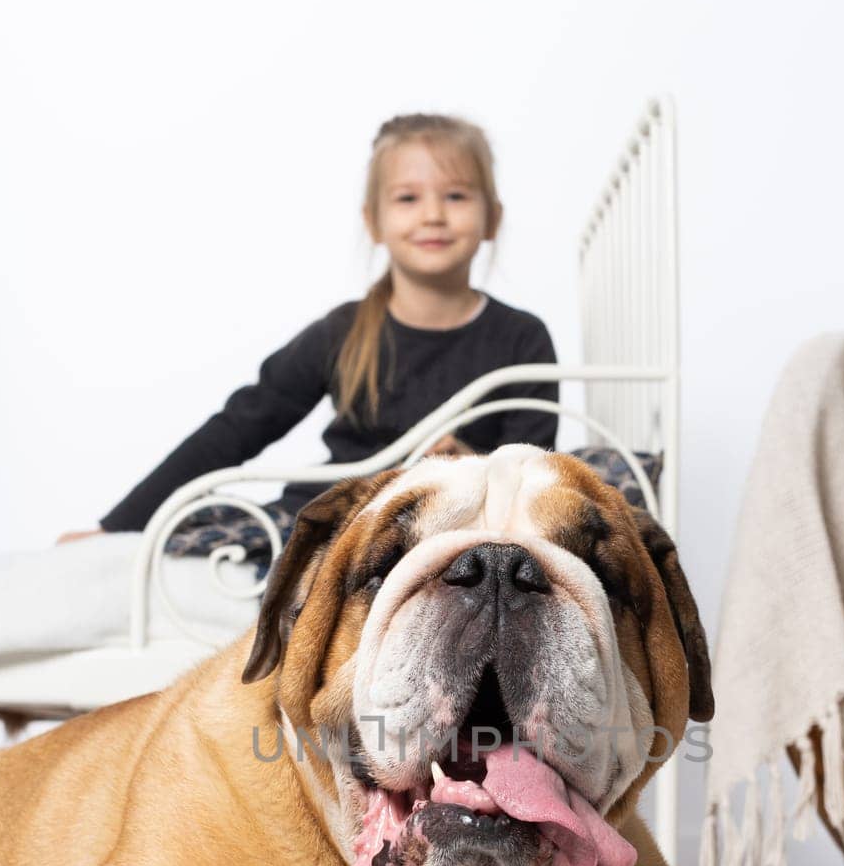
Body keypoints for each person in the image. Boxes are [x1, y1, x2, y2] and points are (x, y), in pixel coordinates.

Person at [58, 113, 558, 543]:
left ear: (492, 218)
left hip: (451, 530)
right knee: (207, 532)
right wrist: (118, 528)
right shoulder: (342, 333)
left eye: (455, 196)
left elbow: (533, 475)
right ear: (374, 221)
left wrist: (471, 466)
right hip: (338, 520)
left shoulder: (522, 339)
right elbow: (238, 427)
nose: (432, 215)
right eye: (407, 198)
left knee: (594, 482)